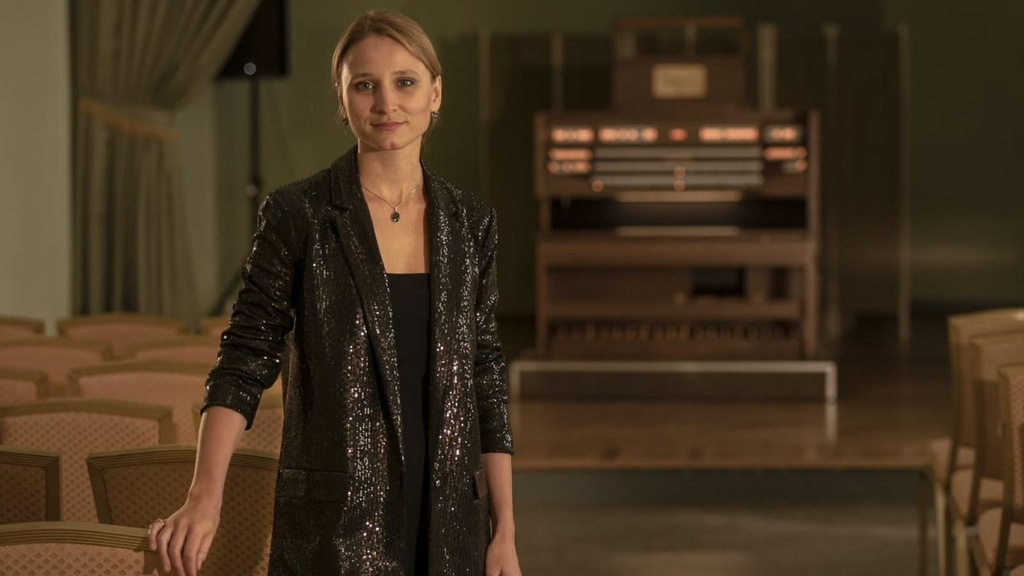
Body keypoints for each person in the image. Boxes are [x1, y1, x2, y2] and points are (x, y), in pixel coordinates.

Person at [148, 10, 521, 576]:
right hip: (336, 524)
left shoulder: (472, 223)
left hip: (451, 526)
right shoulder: (297, 214)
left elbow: (484, 377)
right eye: (364, 85)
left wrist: (505, 532)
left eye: (405, 82)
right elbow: (244, 359)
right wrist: (204, 497)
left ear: (435, 93)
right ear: (342, 100)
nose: (386, 103)